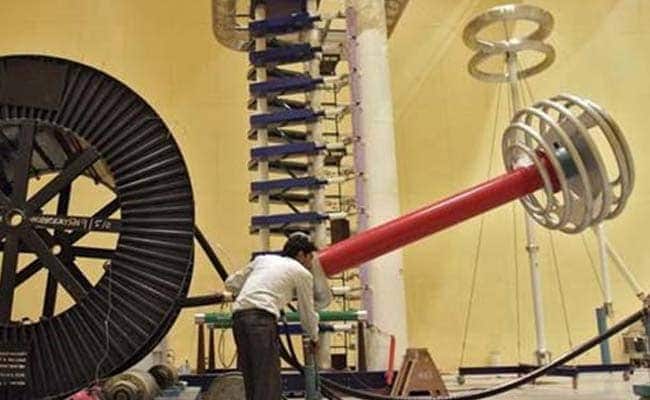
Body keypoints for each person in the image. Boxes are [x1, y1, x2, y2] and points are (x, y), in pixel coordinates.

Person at [225, 233, 321, 400]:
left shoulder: (263, 260)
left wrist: (253, 290)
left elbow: (231, 283)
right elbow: (306, 312)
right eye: (310, 257)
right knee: (267, 383)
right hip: (261, 321)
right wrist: (314, 337)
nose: (311, 263)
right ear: (301, 254)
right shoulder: (302, 273)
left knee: (252, 380)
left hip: (239, 319)